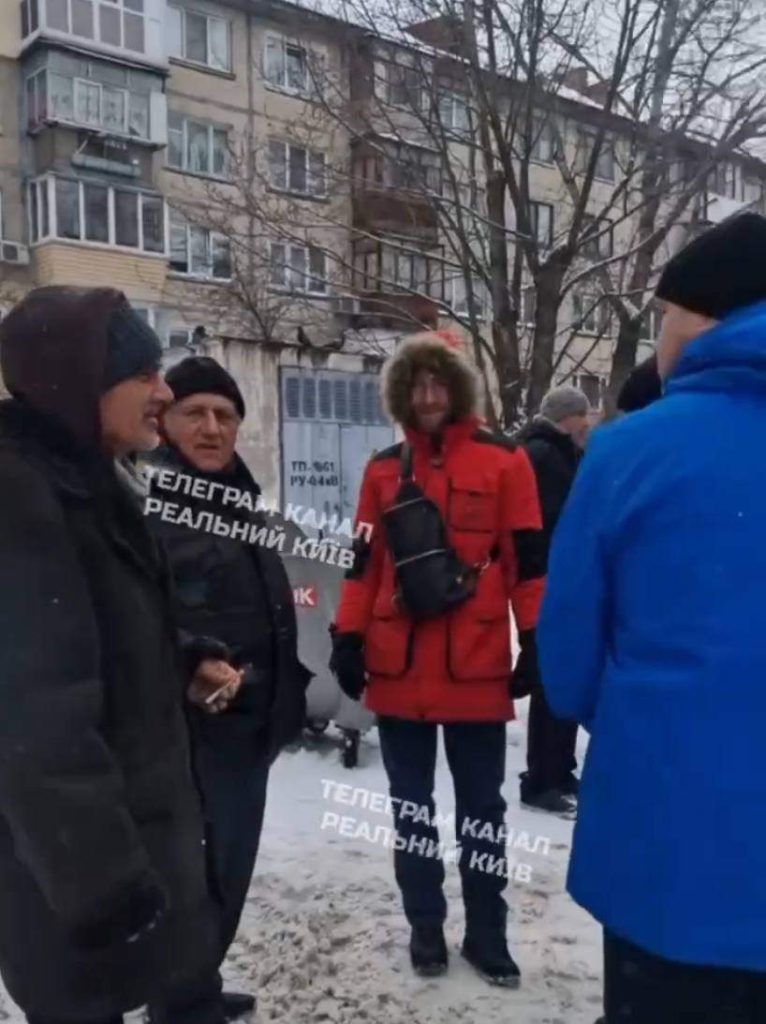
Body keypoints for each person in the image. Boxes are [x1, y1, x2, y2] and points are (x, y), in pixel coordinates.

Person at [538, 211, 766, 1024]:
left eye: (664, 313)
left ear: (704, 318)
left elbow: (568, 665)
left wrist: (652, 721)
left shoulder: (628, 451)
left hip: (667, 854)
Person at [0, 287, 242, 1024]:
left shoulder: (93, 479)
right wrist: (109, 893)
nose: (163, 393)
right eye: (143, 375)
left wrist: (183, 659)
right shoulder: (19, 494)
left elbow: (101, 634)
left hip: (124, 848)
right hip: (73, 882)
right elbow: (36, 720)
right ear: (77, 382)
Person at [330, 333, 545, 988]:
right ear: (402, 393)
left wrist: (536, 637)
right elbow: (363, 565)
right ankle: (425, 927)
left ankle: (487, 934)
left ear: (458, 389)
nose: (427, 396)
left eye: (438, 383)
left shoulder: (506, 462)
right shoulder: (381, 470)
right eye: (416, 384)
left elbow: (527, 562)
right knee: (412, 812)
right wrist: (347, 635)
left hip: (476, 667)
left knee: (483, 811)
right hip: (398, 668)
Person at [143, 356, 312, 1024]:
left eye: (225, 415)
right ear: (165, 422)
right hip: (190, 740)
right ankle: (179, 1005)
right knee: (193, 883)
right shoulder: (149, 505)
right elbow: (138, 620)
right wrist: (194, 663)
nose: (212, 428)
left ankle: (196, 987)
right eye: (195, 413)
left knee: (228, 874)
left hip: (248, 729)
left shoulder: (238, 499)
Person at [516, 385, 590, 816]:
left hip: (553, 582)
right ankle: (544, 778)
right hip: (550, 584)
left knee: (559, 679)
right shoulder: (546, 456)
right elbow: (559, 521)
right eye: (583, 415)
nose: (588, 423)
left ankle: (558, 770)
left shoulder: (554, 453)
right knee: (552, 683)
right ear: (567, 418)